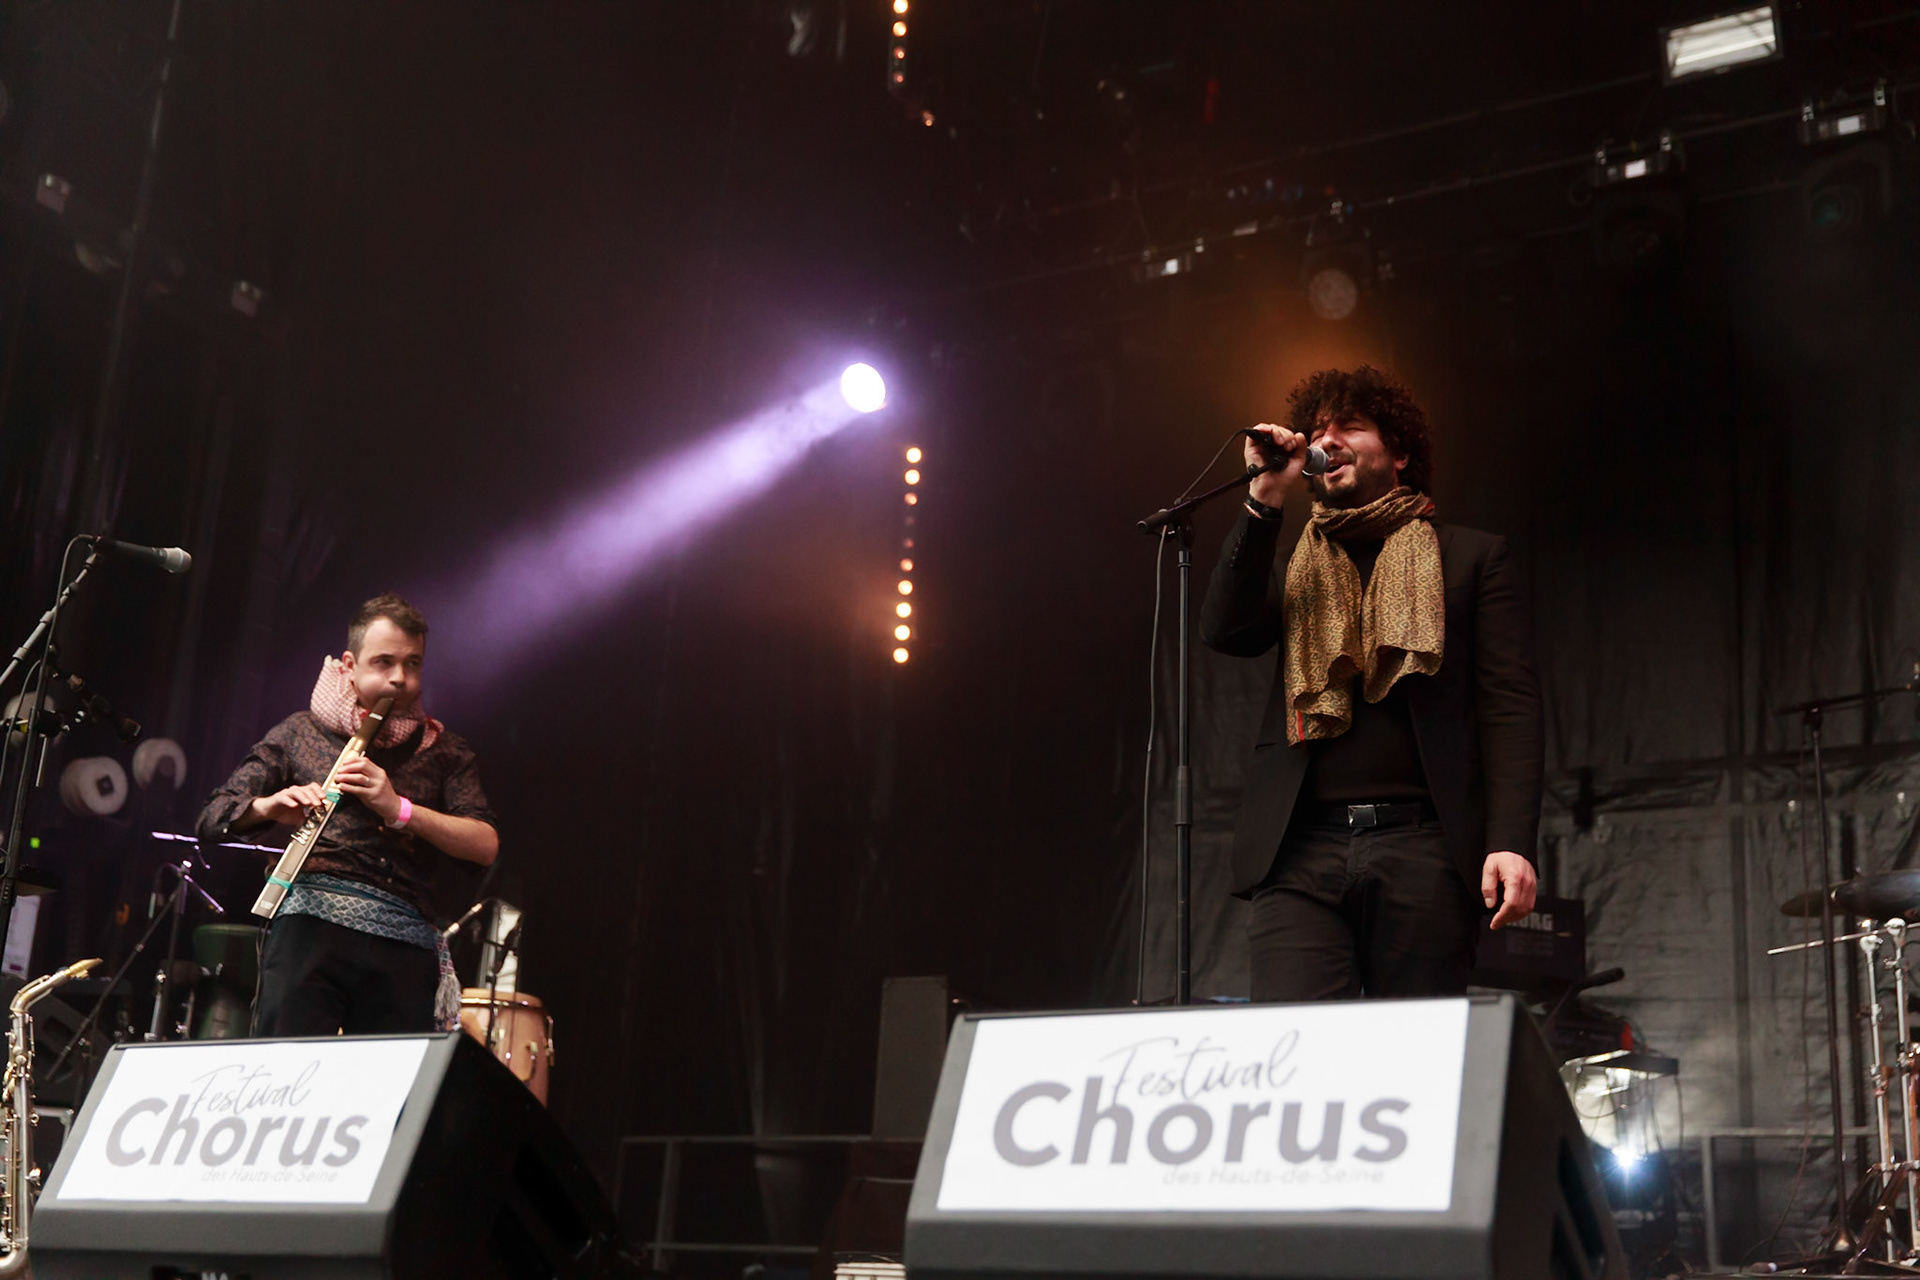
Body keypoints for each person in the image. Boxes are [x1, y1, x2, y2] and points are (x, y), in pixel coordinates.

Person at [1200, 366, 1542, 1002]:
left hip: (1424, 849)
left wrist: (1513, 843)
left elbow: (1510, 708)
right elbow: (1226, 630)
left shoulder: (1470, 557)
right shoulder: (1295, 560)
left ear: (1401, 453)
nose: (1328, 440)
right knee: (1292, 1057)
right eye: (1319, 430)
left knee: (1409, 1072)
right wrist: (1264, 499)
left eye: (1349, 428)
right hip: (1299, 850)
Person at [198, 593, 499, 1035]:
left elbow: (485, 845)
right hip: (309, 931)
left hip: (402, 945)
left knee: (385, 1097)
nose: (400, 679)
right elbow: (212, 816)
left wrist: (400, 809)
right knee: (289, 1080)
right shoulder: (300, 732)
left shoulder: (444, 750)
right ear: (349, 665)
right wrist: (270, 806)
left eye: (413, 664)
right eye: (384, 663)